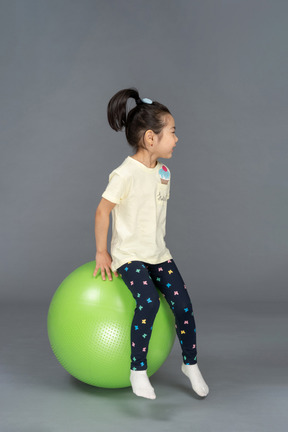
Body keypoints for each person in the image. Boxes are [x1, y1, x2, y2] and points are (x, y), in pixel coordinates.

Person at [93, 88, 209, 400]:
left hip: (158, 254)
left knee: (183, 306)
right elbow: (103, 210)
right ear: (150, 138)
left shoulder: (163, 172)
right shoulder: (124, 174)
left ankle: (191, 364)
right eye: (172, 132)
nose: (176, 138)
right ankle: (138, 370)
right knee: (149, 303)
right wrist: (102, 252)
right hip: (129, 256)